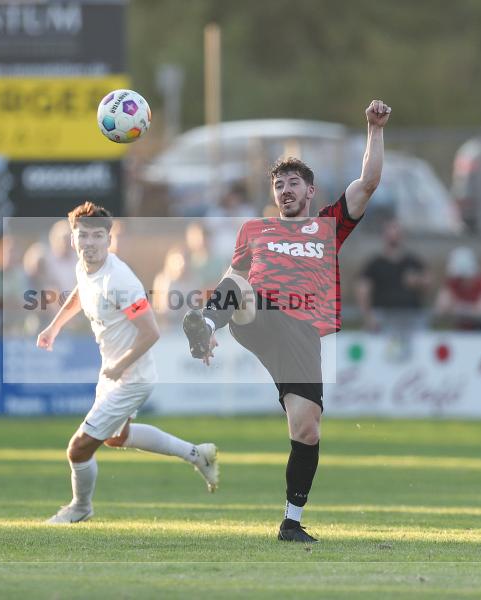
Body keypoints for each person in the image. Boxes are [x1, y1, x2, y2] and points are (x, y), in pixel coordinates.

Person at [182, 100, 391, 543]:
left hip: (302, 335)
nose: (285, 191)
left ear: (310, 191)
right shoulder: (254, 230)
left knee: (307, 429)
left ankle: (291, 522)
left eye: (293, 183)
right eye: (279, 185)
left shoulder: (328, 227)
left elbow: (369, 182)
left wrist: (373, 129)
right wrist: (210, 321)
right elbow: (233, 278)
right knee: (242, 289)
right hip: (258, 316)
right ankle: (203, 325)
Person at [36, 202, 219, 524]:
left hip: (132, 376)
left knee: (78, 449)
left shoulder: (119, 280)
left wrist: (121, 367)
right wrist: (55, 326)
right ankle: (197, 454)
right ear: (73, 239)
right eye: (83, 235)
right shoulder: (85, 267)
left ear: (108, 240)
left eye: (97, 236)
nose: (89, 242)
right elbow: (81, 291)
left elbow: (151, 332)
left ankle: (80, 508)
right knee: (116, 437)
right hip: (116, 371)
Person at [356, 218, 430, 333]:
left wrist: (417, 281)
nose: (394, 236)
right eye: (390, 233)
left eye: (397, 233)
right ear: (384, 236)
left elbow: (428, 282)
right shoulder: (375, 264)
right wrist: (368, 317)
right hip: (383, 316)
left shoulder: (413, 262)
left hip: (411, 317)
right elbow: (362, 290)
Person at [433, 246, 481, 330]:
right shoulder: (452, 282)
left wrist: (457, 307)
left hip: (480, 329)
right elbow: (440, 308)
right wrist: (470, 309)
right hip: (458, 328)